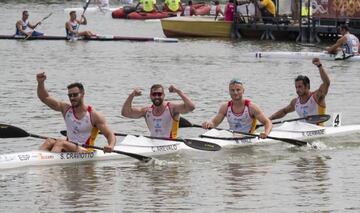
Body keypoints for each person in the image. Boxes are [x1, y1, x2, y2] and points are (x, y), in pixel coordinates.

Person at [36, 72, 116, 153]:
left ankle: (51, 162)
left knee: (60, 142)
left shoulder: (94, 115)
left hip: (85, 150)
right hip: (69, 146)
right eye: (70, 95)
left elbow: (110, 134)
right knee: (49, 141)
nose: (72, 98)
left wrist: (111, 146)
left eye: (75, 95)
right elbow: (45, 98)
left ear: (82, 94)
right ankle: (38, 160)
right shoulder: (65, 108)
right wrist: (40, 82)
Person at [202, 79, 272, 139]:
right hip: (232, 136)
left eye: (238, 90)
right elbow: (214, 123)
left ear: (243, 91)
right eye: (232, 90)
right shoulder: (225, 107)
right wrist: (208, 124)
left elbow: (267, 122)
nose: (235, 93)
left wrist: (266, 133)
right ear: (229, 92)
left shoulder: (252, 107)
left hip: (249, 137)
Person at [269, 58, 330, 124]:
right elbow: (284, 111)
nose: (297, 90)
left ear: (307, 86)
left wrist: (319, 66)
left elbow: (326, 83)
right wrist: (269, 119)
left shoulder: (317, 96)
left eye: (300, 87)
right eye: (296, 87)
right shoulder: (295, 102)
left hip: (318, 129)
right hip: (302, 129)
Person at [121, 84, 195, 138]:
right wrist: (132, 95)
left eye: (159, 94)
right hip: (153, 142)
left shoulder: (172, 108)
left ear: (163, 95)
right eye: (154, 94)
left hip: (171, 142)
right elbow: (125, 113)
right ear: (150, 96)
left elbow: (191, 107)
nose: (157, 97)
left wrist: (177, 91)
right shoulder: (146, 111)